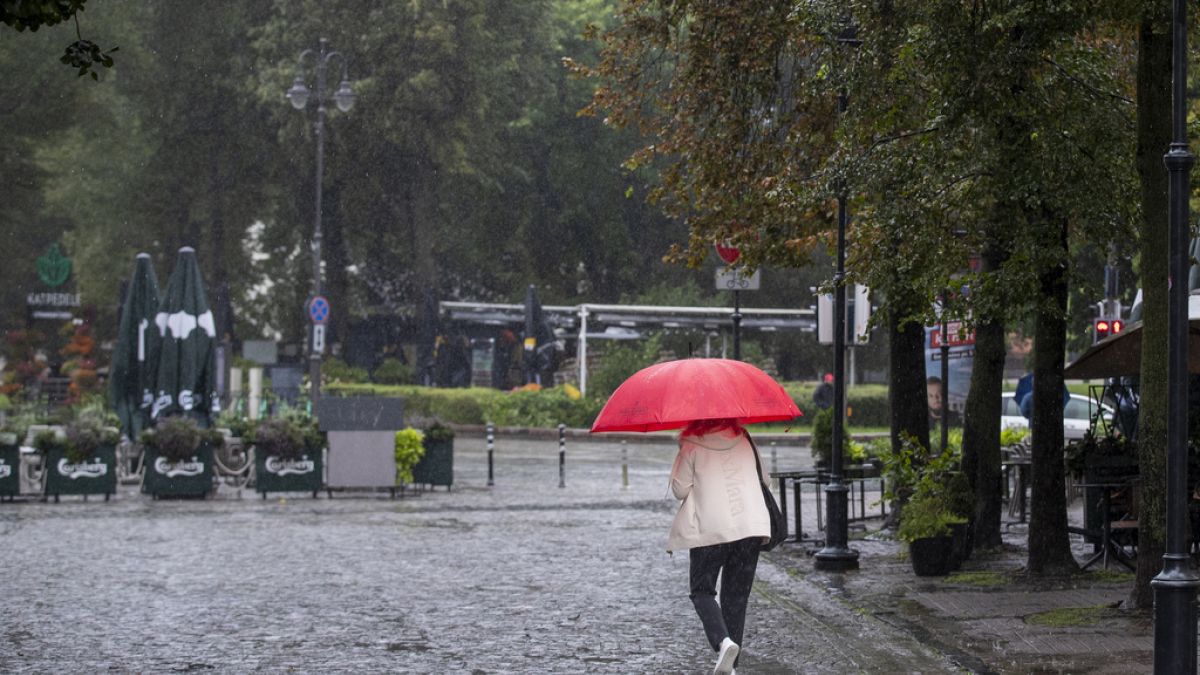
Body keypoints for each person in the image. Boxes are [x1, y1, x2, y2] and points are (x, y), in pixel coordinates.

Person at [667, 418, 771, 675]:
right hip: (749, 528)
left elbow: (680, 491)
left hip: (710, 530)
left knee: (702, 590)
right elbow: (765, 480)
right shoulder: (744, 439)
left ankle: (723, 642)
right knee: (736, 598)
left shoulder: (691, 445)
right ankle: (731, 667)